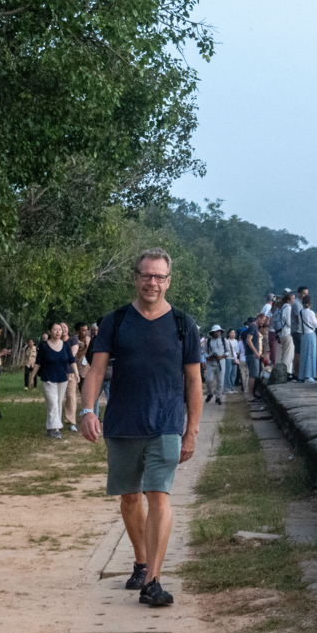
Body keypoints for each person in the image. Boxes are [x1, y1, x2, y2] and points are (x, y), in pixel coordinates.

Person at [80, 247, 203, 608]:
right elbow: (96, 371)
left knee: (158, 495)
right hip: (122, 423)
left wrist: (191, 429)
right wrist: (88, 410)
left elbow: (194, 382)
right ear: (135, 278)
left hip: (166, 424)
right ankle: (140, 560)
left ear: (168, 281)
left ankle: (153, 581)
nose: (152, 282)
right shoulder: (116, 321)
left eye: (159, 276)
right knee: (131, 497)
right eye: (146, 275)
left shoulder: (183, 325)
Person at [29, 322, 76, 439]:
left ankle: (50, 427)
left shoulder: (65, 345)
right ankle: (56, 429)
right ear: (50, 332)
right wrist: (32, 376)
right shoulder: (44, 346)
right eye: (55, 329)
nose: (58, 331)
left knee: (58, 403)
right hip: (48, 379)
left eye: (60, 329)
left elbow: (72, 360)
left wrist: (77, 373)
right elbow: (38, 362)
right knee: (53, 403)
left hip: (62, 379)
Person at [298, 295, 317, 383]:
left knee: (304, 355)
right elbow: (315, 325)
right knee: (311, 354)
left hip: (304, 335)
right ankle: (309, 375)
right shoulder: (311, 313)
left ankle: (302, 376)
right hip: (311, 334)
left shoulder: (301, 312)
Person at [205, 325, 230, 405]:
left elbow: (228, 351)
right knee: (209, 380)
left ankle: (218, 397)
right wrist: (208, 357)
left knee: (220, 381)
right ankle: (210, 393)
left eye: (219, 331)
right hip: (211, 363)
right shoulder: (208, 341)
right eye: (216, 331)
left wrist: (222, 356)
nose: (218, 333)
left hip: (221, 363)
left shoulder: (224, 340)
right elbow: (204, 351)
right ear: (213, 333)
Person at [62, 322, 80, 431]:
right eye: (61, 327)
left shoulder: (73, 340)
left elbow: (72, 354)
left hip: (70, 372)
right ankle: (56, 422)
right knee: (57, 399)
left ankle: (71, 422)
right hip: (58, 373)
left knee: (71, 397)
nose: (63, 329)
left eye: (65, 327)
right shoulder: (55, 342)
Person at [274, 291, 295, 380]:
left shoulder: (282, 308)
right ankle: (286, 372)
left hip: (282, 333)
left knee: (282, 354)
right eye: (293, 298)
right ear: (289, 300)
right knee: (288, 354)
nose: (294, 300)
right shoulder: (288, 308)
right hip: (287, 333)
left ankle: (281, 372)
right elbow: (289, 322)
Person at [241, 316, 261, 399]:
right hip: (252, 354)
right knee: (252, 375)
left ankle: (253, 393)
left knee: (255, 374)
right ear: (259, 318)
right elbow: (248, 340)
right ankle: (250, 394)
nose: (263, 322)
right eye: (262, 320)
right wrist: (256, 352)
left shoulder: (254, 327)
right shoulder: (253, 327)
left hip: (252, 354)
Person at [291, 286, 308, 377]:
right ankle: (297, 373)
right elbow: (299, 317)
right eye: (304, 294)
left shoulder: (301, 303)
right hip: (297, 330)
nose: (306, 296)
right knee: (299, 352)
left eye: (307, 294)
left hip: (300, 330)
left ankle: (298, 372)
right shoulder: (297, 304)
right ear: (299, 294)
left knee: (299, 351)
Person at [223, 329, 239, 394]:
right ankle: (227, 388)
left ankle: (232, 387)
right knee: (228, 373)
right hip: (228, 358)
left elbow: (237, 351)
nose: (233, 334)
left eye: (234, 333)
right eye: (232, 333)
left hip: (234, 358)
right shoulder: (226, 341)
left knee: (234, 373)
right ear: (228, 334)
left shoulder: (236, 341)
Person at [235, 327, 249, 391]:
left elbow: (237, 353)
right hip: (249, 359)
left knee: (243, 376)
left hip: (242, 360)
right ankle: (248, 388)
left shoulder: (240, 343)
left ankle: (245, 389)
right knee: (248, 374)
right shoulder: (249, 341)